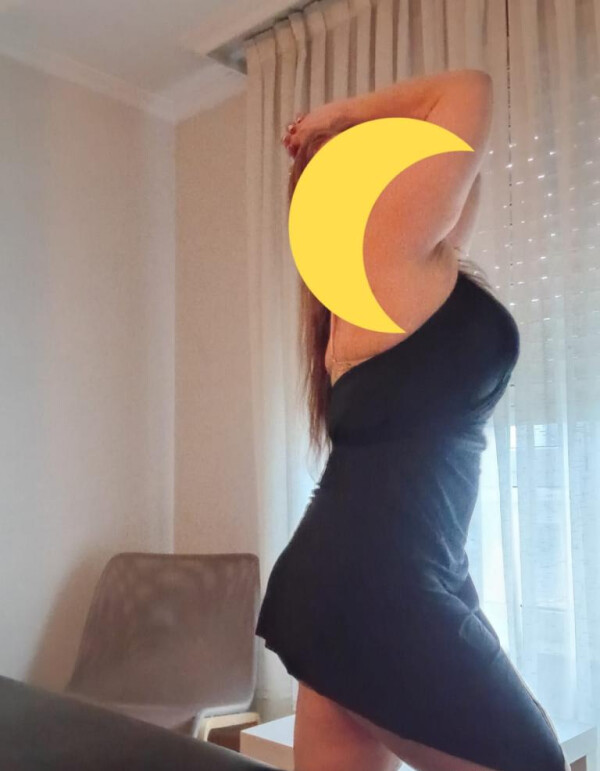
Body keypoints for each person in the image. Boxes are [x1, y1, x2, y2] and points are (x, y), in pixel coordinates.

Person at [256, 69, 570, 771]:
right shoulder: (386, 250)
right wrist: (339, 115)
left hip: (363, 580)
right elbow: (471, 89)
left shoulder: (393, 271)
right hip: (375, 584)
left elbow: (463, 171)